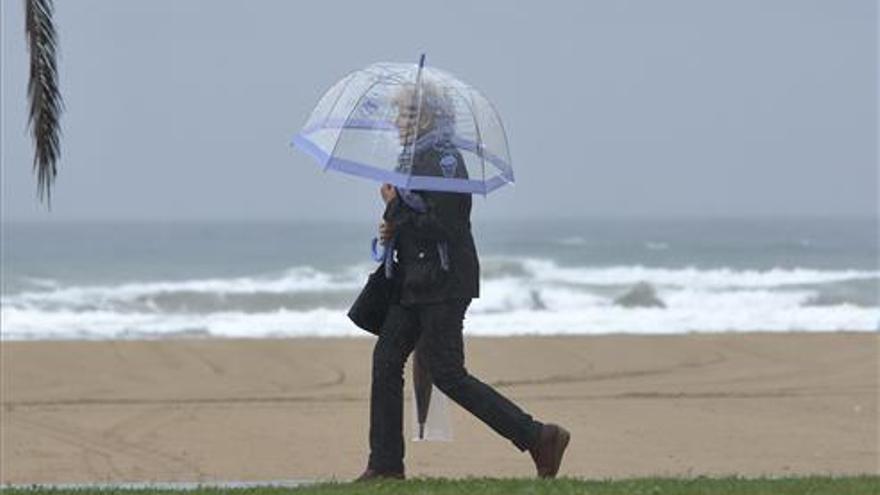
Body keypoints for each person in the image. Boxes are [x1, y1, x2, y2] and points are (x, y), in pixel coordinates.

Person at [354, 81, 571, 481]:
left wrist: (394, 209)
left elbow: (444, 226)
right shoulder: (409, 159)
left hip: (444, 283)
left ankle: (539, 436)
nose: (399, 122)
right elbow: (413, 219)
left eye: (408, 114)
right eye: (398, 113)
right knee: (385, 361)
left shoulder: (445, 160)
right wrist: (390, 227)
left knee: (448, 374)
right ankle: (384, 465)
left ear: (432, 117)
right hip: (411, 281)